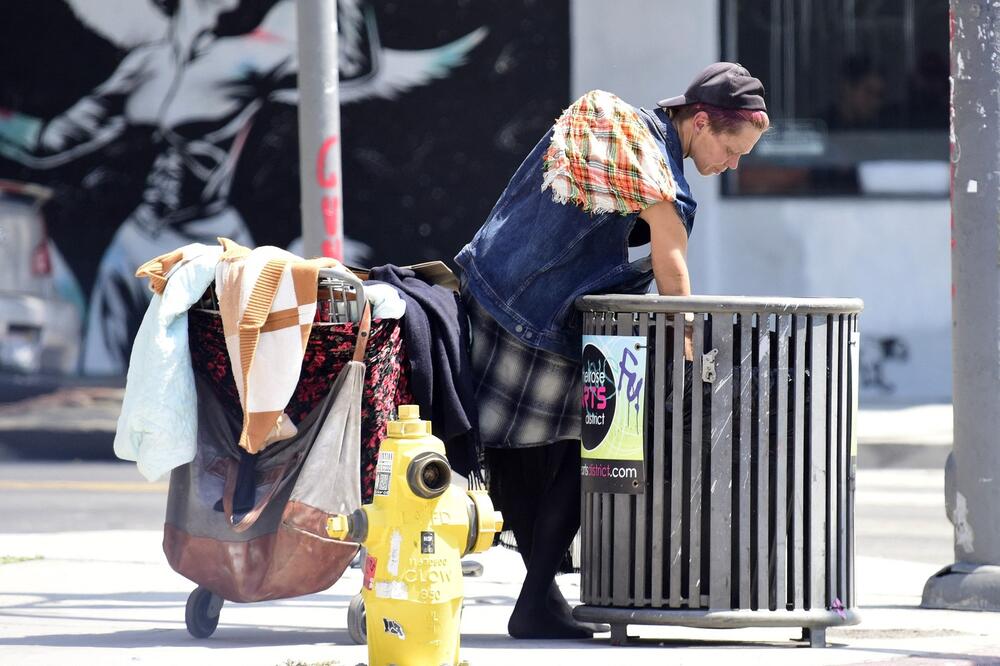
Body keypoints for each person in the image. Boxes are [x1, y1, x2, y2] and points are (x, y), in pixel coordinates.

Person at [454, 62, 769, 639]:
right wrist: (692, 346)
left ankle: (540, 596)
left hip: (499, 298)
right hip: (537, 322)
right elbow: (671, 261)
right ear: (700, 121)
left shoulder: (621, 134)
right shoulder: (642, 150)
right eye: (732, 148)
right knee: (597, 452)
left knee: (525, 458)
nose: (733, 164)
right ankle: (536, 600)